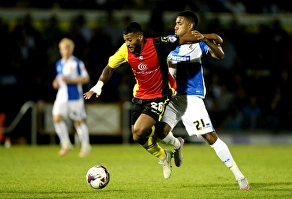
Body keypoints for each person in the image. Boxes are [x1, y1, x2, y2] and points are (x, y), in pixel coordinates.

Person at [83, 22, 204, 179]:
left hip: (160, 94)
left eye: (130, 40)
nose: (128, 43)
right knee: (137, 136)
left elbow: (181, 38)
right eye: (125, 40)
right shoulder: (125, 50)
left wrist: (207, 38)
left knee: (141, 130)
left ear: (140, 37)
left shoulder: (157, 44)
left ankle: (174, 144)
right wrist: (98, 86)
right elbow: (110, 67)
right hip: (140, 95)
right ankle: (164, 156)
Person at [155, 10, 250, 190]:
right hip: (174, 97)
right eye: (175, 23)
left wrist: (206, 39)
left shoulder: (198, 45)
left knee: (209, 137)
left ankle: (239, 175)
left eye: (180, 23)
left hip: (191, 97)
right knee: (160, 132)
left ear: (190, 26)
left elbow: (220, 54)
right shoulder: (171, 44)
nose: (175, 26)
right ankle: (177, 144)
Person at [52, 38, 91, 157]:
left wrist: (71, 81)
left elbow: (85, 78)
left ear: (72, 49)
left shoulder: (77, 63)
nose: (66, 50)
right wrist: (56, 82)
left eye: (68, 48)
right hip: (61, 96)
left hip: (74, 96)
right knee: (56, 118)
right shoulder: (59, 64)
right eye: (64, 48)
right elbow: (59, 77)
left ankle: (85, 145)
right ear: (60, 50)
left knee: (78, 122)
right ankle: (65, 143)